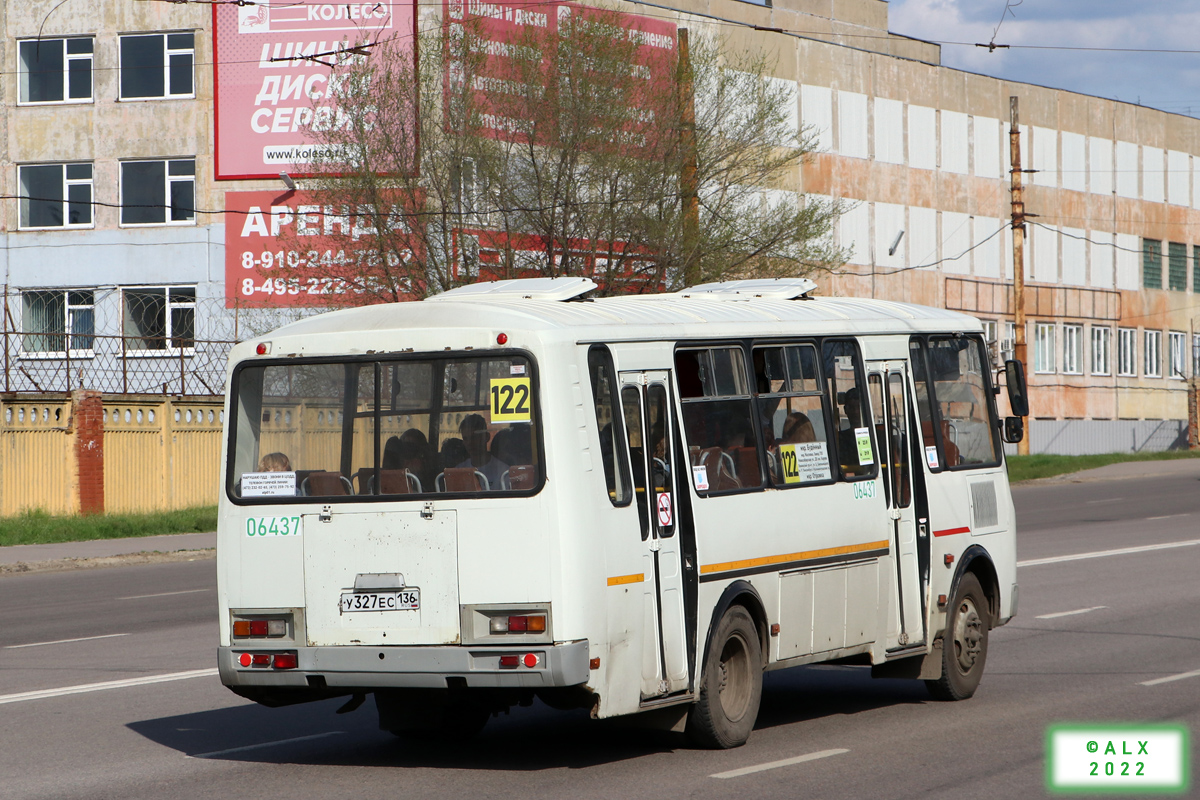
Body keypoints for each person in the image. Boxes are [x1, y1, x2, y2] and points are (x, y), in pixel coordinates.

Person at [456, 413, 508, 489]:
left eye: (474, 437)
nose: (469, 443)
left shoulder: (503, 471)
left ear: (486, 437)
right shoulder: (458, 471)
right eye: (466, 439)